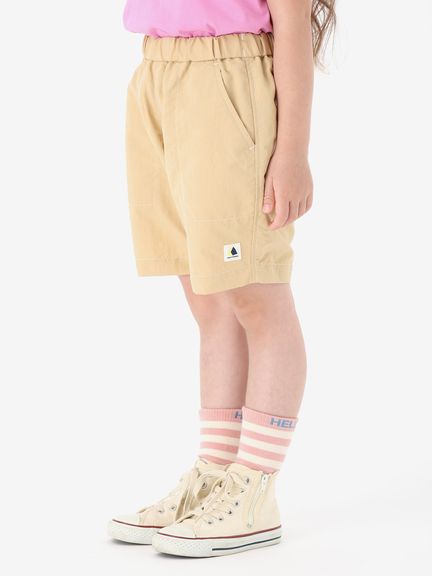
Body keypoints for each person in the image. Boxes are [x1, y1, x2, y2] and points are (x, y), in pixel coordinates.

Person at [108, 0, 335, 557]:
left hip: (226, 84)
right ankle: (216, 474)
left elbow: (293, 29)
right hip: (156, 77)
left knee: (255, 294)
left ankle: (254, 489)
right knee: (208, 301)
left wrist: (293, 152)